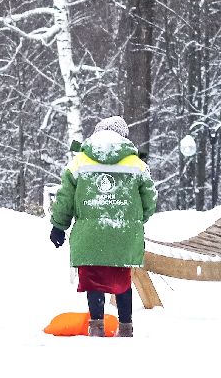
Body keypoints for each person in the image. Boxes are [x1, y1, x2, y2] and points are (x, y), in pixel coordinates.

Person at [48, 116, 156, 337]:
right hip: (123, 234)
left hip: (90, 237)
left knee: (94, 280)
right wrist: (134, 220)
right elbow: (149, 200)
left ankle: (96, 326)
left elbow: (65, 198)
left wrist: (59, 225)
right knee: (122, 281)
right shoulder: (136, 164)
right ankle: (126, 328)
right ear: (123, 136)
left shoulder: (80, 162)